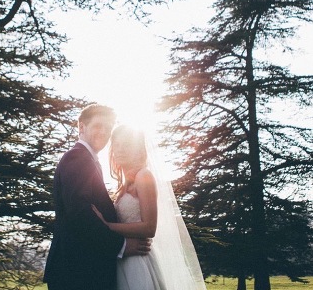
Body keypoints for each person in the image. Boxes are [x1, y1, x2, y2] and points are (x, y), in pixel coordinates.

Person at [43, 104, 151, 290]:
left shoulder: (88, 160)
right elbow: (80, 215)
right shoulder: (78, 158)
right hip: (77, 273)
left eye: (108, 128)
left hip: (84, 272)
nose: (104, 132)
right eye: (98, 126)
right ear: (81, 127)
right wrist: (123, 246)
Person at [94, 124, 207, 290]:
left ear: (137, 148)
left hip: (139, 262)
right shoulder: (124, 184)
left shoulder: (144, 176)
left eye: (125, 145)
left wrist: (107, 226)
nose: (119, 150)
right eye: (116, 145)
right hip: (124, 259)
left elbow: (149, 227)